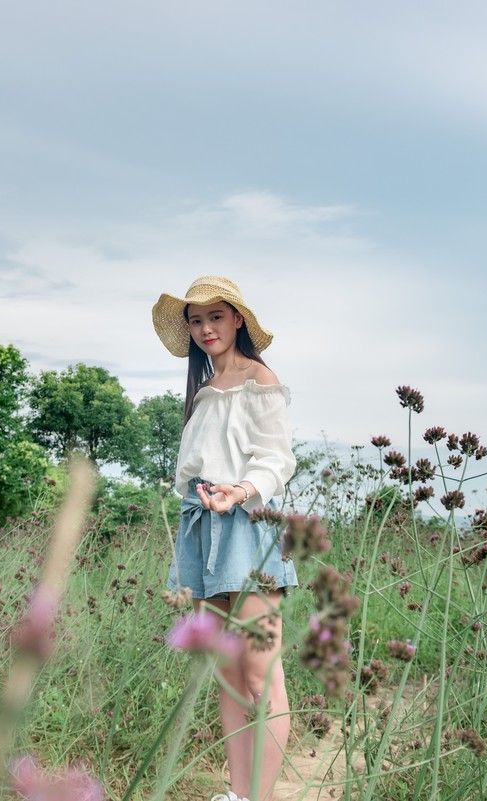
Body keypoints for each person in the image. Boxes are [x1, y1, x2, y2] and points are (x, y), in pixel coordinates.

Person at [152, 275, 297, 801]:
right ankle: (237, 795)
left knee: (260, 676)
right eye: (196, 319)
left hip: (248, 525)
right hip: (201, 526)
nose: (206, 327)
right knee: (230, 677)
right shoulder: (203, 392)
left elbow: (278, 458)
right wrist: (202, 496)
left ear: (238, 320)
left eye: (217, 316)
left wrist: (238, 491)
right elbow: (190, 469)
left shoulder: (261, 379)